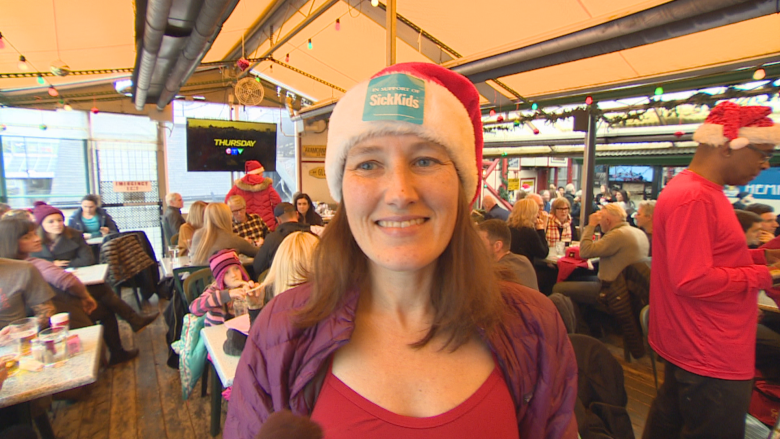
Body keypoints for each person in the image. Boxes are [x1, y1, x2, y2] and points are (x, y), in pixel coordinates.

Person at [225, 62, 577, 439]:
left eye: (425, 160)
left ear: (462, 186)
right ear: (342, 188)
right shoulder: (281, 331)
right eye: (368, 163)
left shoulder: (533, 327)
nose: (399, 194)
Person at [644, 101, 780, 439]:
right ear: (731, 146)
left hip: (696, 346)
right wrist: (767, 276)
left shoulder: (698, 192)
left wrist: (761, 261)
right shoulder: (695, 198)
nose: (765, 165)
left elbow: (709, 259)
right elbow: (692, 278)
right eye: (764, 153)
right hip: (710, 352)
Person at [0, 217, 150, 364]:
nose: (36, 238)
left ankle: (124, 336)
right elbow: (66, 281)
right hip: (52, 319)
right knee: (101, 295)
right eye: (28, 237)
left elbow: (86, 260)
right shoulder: (29, 265)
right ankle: (127, 330)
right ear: (11, 242)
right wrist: (85, 296)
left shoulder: (69, 237)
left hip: (51, 314)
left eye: (34, 233)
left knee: (102, 299)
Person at [224, 231, 320, 355]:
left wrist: (255, 312)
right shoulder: (332, 304)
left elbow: (255, 348)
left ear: (280, 269)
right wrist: (256, 309)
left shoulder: (284, 318)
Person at [552, 204, 649, 318]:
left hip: (611, 289)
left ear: (608, 220)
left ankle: (579, 328)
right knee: (576, 277)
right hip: (628, 288)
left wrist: (591, 225)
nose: (599, 223)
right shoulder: (637, 232)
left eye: (600, 220)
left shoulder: (617, 234)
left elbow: (585, 252)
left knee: (558, 288)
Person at [189, 249, 258, 327]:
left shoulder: (246, 288)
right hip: (215, 334)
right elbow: (194, 309)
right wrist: (227, 294)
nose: (234, 275)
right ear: (220, 277)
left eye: (236, 268)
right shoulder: (214, 290)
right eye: (226, 272)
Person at [252, 203, 312, 277]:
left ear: (278, 220)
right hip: (310, 281)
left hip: (282, 283)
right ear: (297, 214)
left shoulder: (272, 238)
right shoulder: (312, 234)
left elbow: (258, 267)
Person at [477, 219, 539, 290]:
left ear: (497, 246)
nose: (477, 247)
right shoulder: (524, 261)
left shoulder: (497, 272)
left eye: (480, 242)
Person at [191, 203, 259, 266]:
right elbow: (259, 253)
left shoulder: (197, 234)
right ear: (227, 217)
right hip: (221, 277)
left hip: (195, 277)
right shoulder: (233, 239)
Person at [30, 202, 94, 268]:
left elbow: (87, 259)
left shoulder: (75, 235)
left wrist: (63, 265)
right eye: (51, 222)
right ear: (41, 225)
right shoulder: (31, 239)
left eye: (59, 220)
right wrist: (51, 264)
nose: (57, 224)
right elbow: (29, 262)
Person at [225, 160, 282, 231]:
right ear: (259, 173)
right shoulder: (266, 185)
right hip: (266, 223)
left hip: (245, 225)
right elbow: (277, 201)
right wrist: (273, 216)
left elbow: (227, 201)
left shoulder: (238, 186)